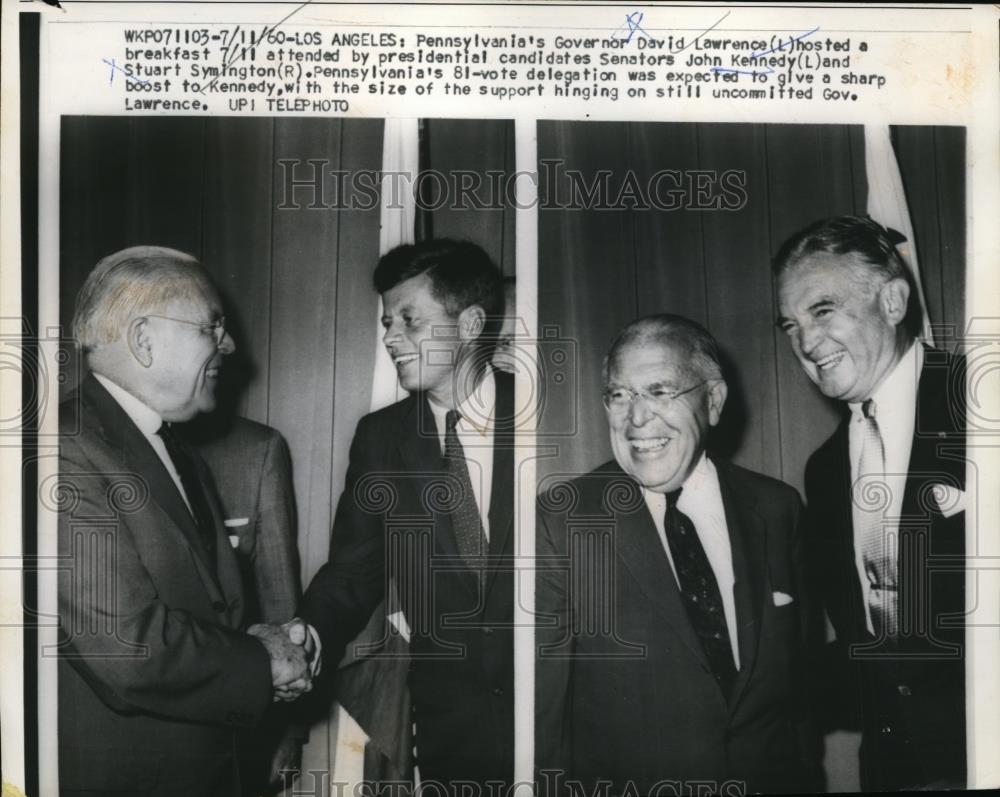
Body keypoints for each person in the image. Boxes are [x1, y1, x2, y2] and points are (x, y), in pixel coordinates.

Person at [57, 246, 316, 797]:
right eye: (212, 325)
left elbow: (205, 609)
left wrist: (255, 642)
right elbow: (127, 645)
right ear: (145, 340)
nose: (230, 344)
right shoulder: (63, 453)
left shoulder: (169, 446)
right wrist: (260, 663)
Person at [535, 314, 818, 795]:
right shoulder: (563, 521)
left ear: (713, 400)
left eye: (660, 391)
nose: (636, 418)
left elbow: (797, 689)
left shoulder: (777, 507)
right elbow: (544, 717)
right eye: (619, 395)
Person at [299, 239, 514, 788]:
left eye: (410, 321)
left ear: (468, 324)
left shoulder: (551, 412)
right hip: (453, 735)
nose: (391, 338)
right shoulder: (380, 439)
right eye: (387, 321)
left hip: (562, 718)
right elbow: (354, 569)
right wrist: (307, 632)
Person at [774, 215, 966, 790]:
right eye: (789, 324)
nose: (806, 343)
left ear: (893, 301)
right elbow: (872, 650)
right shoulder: (825, 470)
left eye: (823, 310)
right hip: (891, 769)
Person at [189, 415, 306, 794]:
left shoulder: (256, 449)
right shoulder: (78, 432)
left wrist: (289, 729)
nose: (227, 349)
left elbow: (280, 600)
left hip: (232, 728)